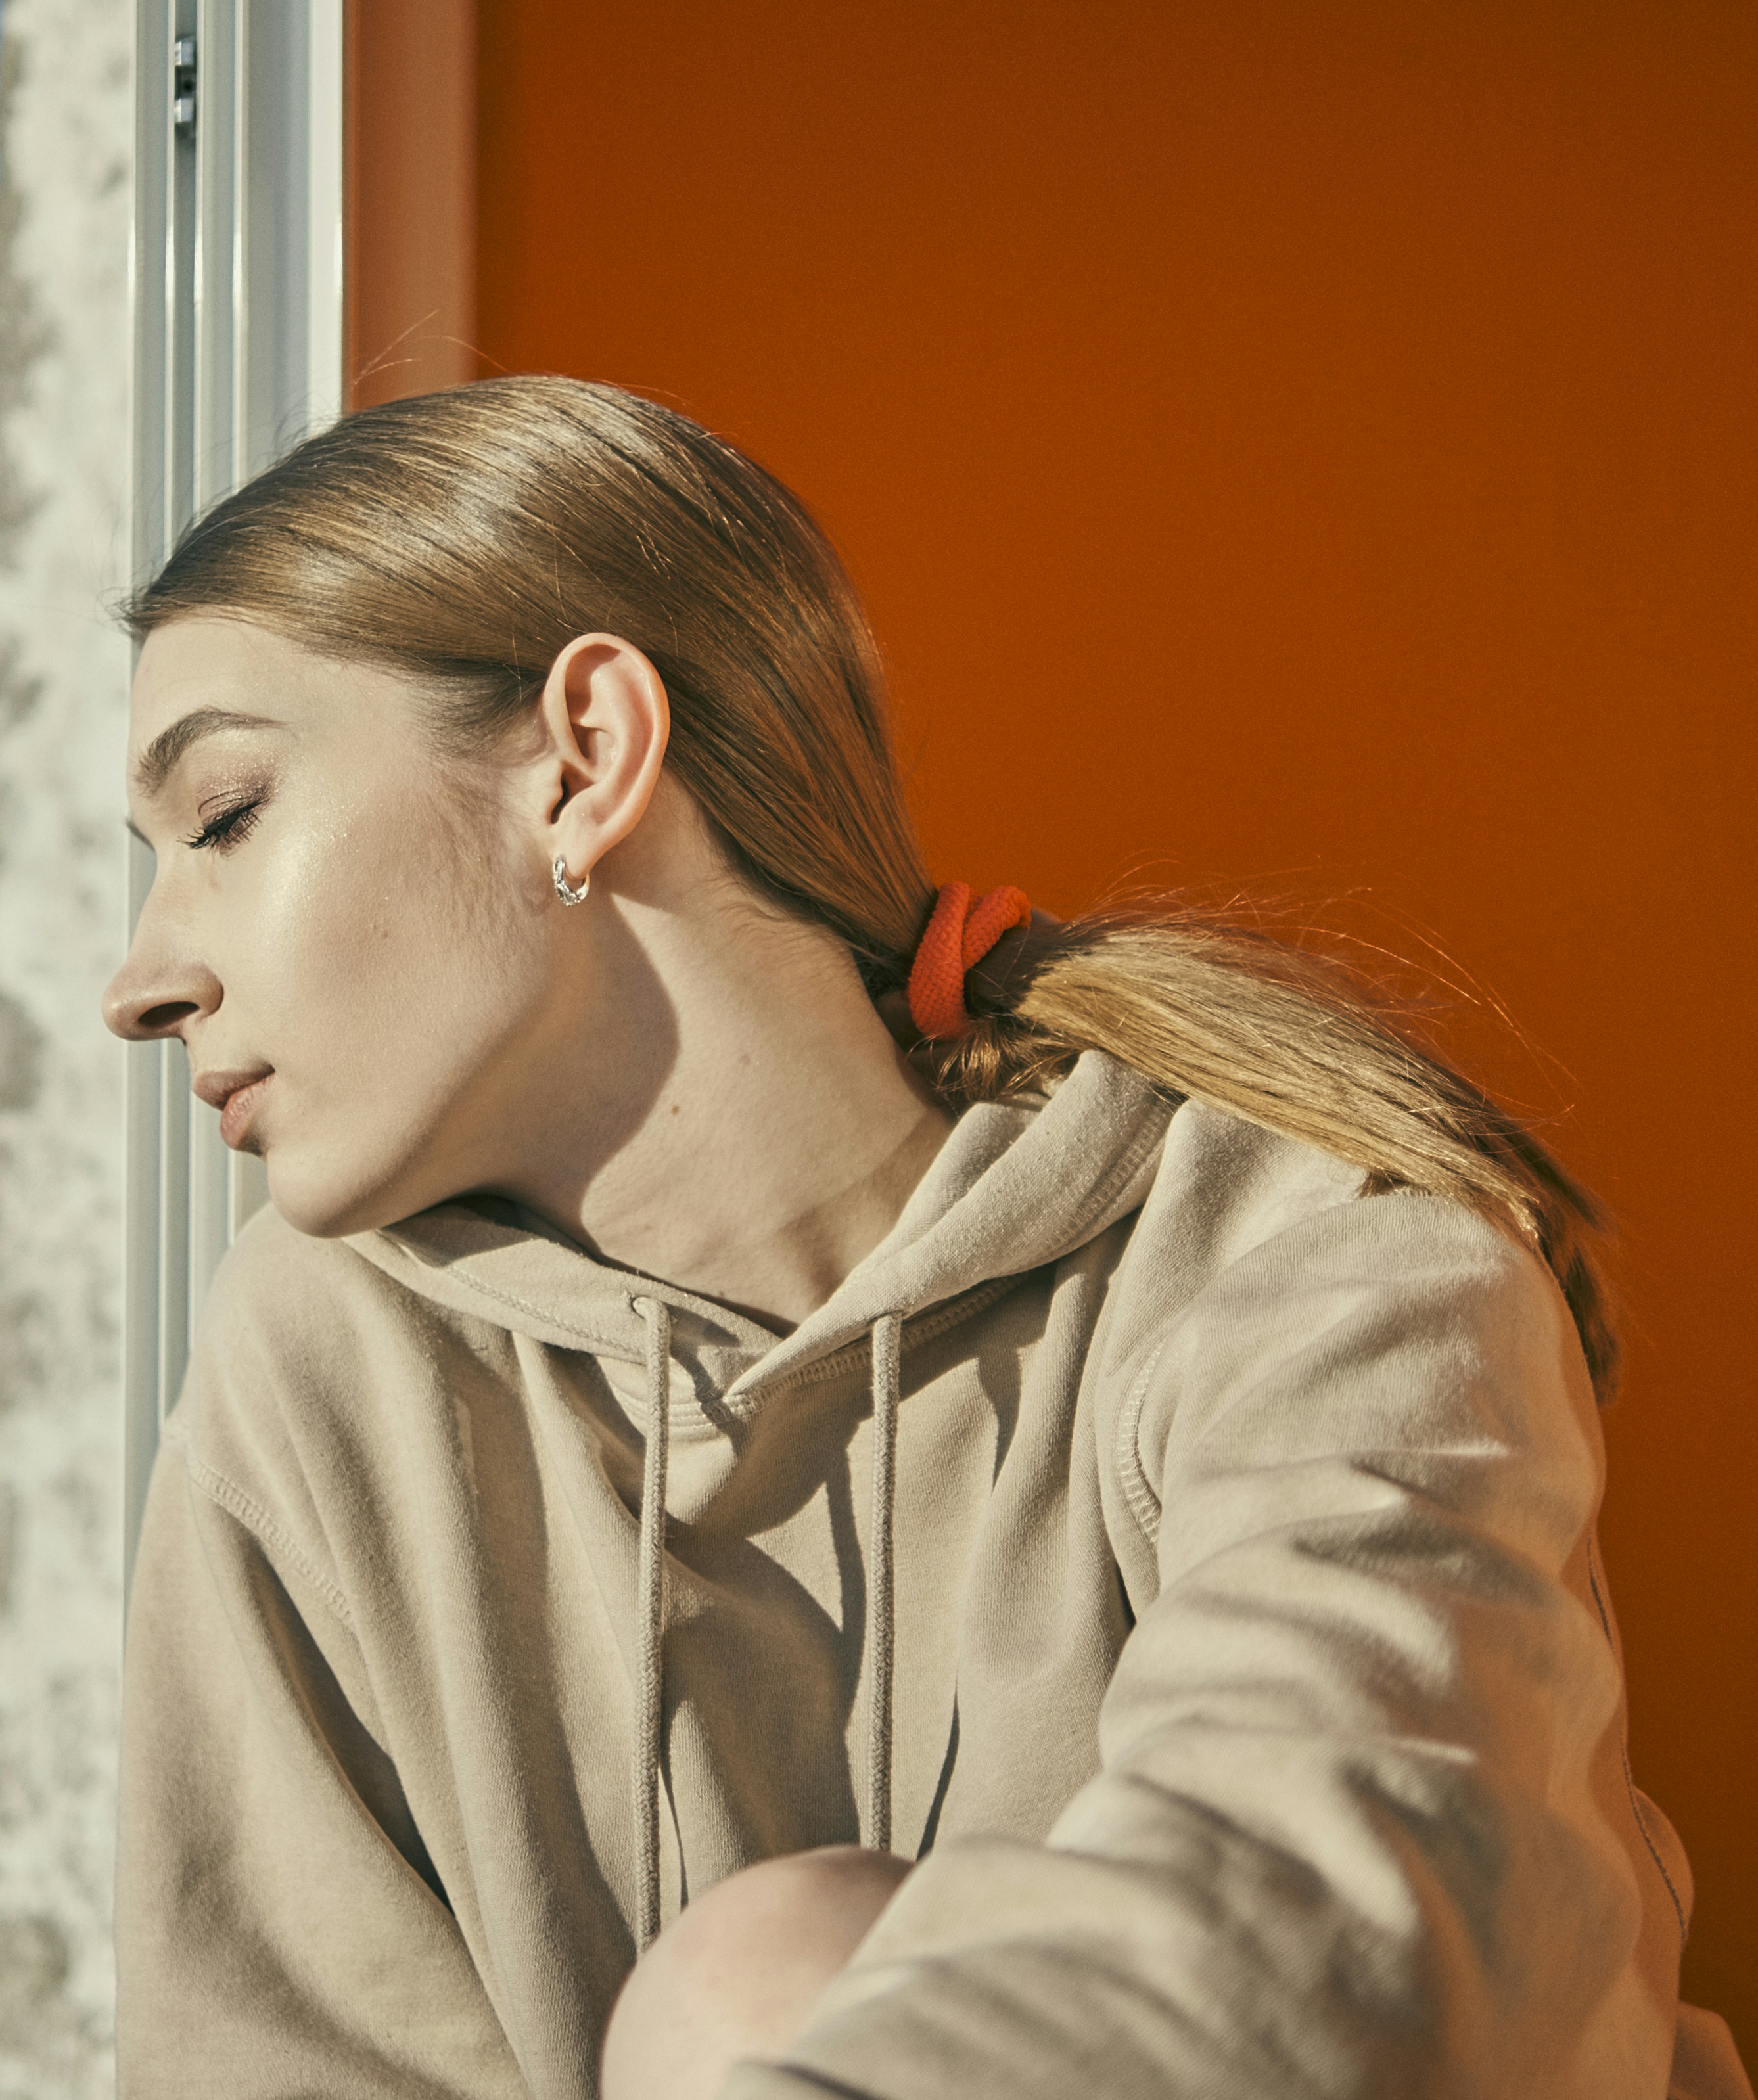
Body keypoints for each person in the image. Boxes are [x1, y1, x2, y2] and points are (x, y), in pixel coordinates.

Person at [101, 375, 1748, 2100]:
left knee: (756, 1975)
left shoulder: (1306, 1248)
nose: (136, 982)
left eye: (222, 817)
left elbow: (1335, 1937)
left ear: (583, 759)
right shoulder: (324, 1359)